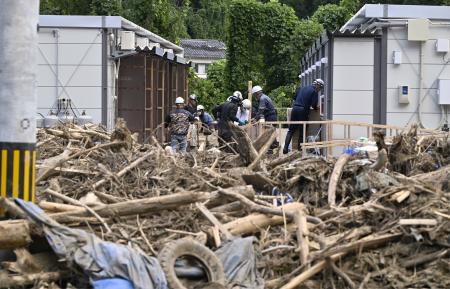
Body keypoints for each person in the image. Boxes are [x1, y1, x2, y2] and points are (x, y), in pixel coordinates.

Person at [283, 79, 324, 154]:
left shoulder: (303, 88)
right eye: (320, 88)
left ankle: (285, 148)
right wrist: (316, 108)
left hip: (295, 109)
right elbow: (313, 104)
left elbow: (295, 97)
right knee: (302, 130)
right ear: (318, 85)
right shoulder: (314, 91)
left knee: (291, 130)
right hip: (302, 110)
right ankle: (299, 150)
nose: (319, 90)